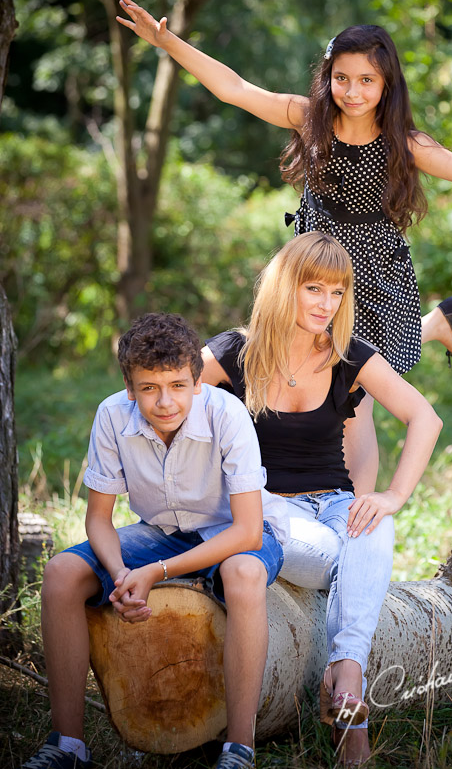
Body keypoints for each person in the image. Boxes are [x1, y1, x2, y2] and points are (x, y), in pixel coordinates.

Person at [116, 0, 452, 485]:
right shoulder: (308, 119)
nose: (352, 91)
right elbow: (235, 88)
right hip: (308, 271)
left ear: (387, 83)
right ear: (327, 77)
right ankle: (437, 325)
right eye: (341, 78)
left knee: (354, 400)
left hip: (367, 278)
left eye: (367, 80)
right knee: (298, 366)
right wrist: (167, 42)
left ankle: (354, 510)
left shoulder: (403, 142)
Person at [200, 232, 443, 766]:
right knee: (348, 556)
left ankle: (346, 670)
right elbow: (167, 395)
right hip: (264, 510)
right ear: (284, 286)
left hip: (333, 504)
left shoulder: (347, 355)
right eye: (314, 288)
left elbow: (425, 417)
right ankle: (349, 703)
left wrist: (393, 495)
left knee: (373, 525)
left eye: (337, 292)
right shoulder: (232, 352)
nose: (326, 305)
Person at [22, 312, 288, 769]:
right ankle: (67, 745)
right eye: (149, 388)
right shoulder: (111, 416)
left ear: (197, 381)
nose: (166, 401)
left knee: (243, 573)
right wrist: (122, 573)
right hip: (161, 534)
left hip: (232, 533)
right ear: (130, 388)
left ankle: (239, 748)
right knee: (62, 573)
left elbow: (246, 529)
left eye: (178, 385)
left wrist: (157, 573)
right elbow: (99, 520)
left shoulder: (227, 416)